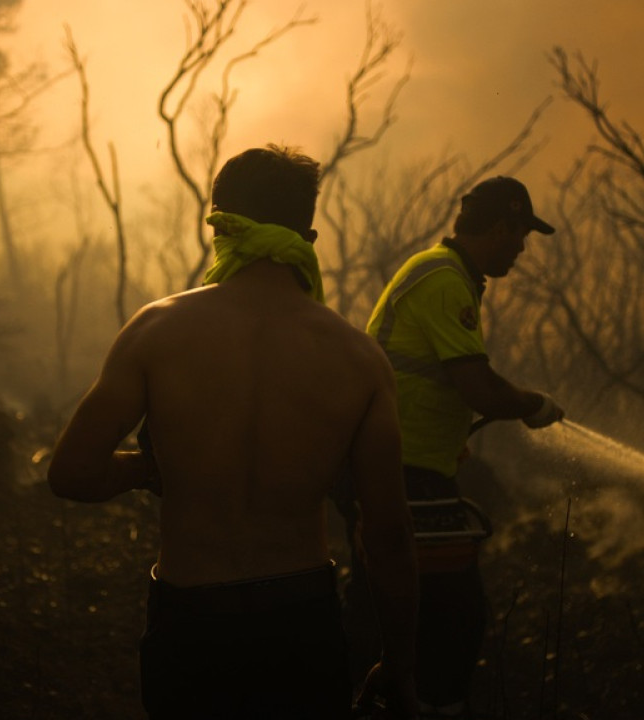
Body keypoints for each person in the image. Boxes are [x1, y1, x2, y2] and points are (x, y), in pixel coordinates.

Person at [48, 145, 420, 719]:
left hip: (191, 624)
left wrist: (151, 469)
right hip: (300, 623)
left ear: (219, 227)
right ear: (308, 238)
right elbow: (388, 532)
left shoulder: (157, 330)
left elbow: (72, 472)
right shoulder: (359, 359)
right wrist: (397, 661)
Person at [343, 176, 565, 718]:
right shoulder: (443, 279)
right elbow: (476, 385)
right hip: (404, 473)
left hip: (407, 469)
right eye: (520, 235)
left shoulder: (447, 276)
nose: (521, 247)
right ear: (500, 227)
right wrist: (532, 405)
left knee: (404, 611)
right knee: (450, 619)